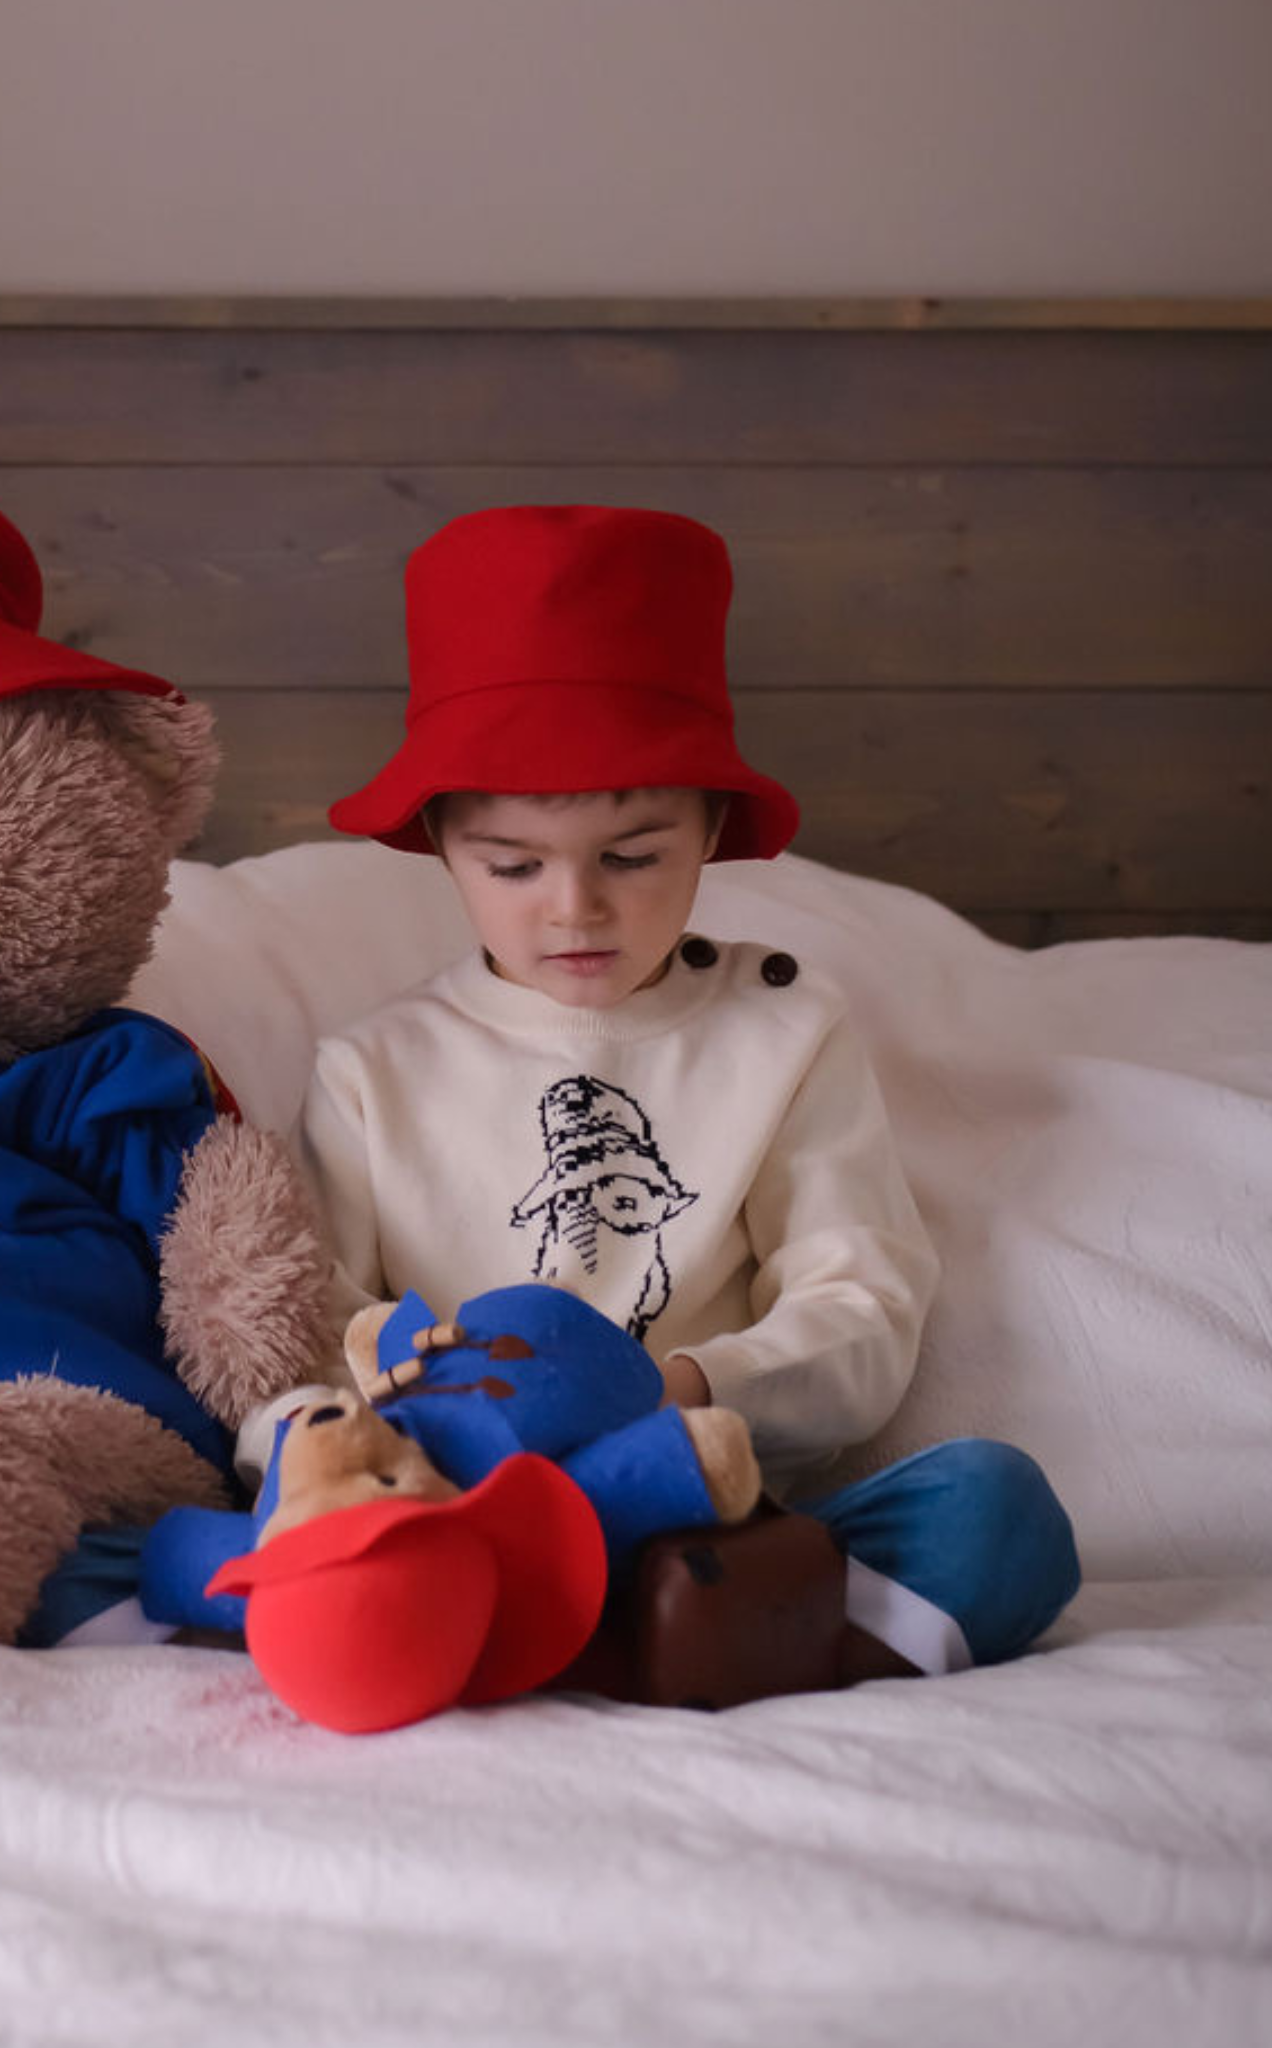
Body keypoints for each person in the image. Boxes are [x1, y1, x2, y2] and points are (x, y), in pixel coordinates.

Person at [286, 502, 1079, 1678]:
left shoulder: (783, 1029)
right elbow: (311, 1328)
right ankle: (649, 1632)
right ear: (442, 842)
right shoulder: (370, 1068)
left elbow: (860, 1302)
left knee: (993, 1504)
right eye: (511, 864)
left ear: (710, 827)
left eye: (632, 854)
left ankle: (644, 1628)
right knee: (247, 1521)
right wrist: (441, 1429)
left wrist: (677, 1388)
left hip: (711, 1500)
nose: (573, 907)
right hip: (461, 1496)